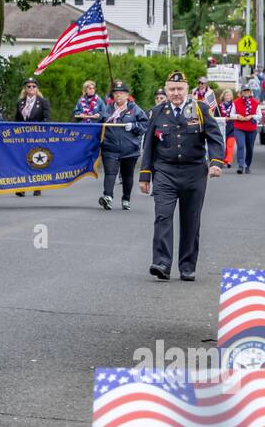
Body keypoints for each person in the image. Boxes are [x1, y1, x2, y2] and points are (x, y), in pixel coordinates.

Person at [138, 70, 224, 282]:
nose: (176, 93)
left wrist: (215, 163)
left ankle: (187, 266)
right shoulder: (157, 112)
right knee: (162, 216)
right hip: (165, 172)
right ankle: (162, 263)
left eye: (179, 89)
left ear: (187, 89)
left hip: (194, 172)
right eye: (171, 89)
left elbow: (215, 138)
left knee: (190, 221)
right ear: (166, 90)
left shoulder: (200, 109)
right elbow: (149, 144)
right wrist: (145, 175)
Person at [98, 80, 147, 211]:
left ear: (127, 95)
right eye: (116, 93)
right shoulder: (107, 109)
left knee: (127, 175)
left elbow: (145, 125)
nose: (118, 95)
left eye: (121, 93)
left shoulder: (134, 109)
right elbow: (98, 127)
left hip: (130, 149)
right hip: (110, 148)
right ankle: (108, 197)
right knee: (110, 173)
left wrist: (134, 126)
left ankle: (126, 198)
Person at [14, 76, 50, 198]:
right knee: (22, 160)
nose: (31, 88)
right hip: (23, 135)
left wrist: (40, 131)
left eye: (33, 86)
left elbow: (46, 119)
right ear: (25, 88)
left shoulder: (43, 102)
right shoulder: (20, 102)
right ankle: (22, 187)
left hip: (37, 135)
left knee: (36, 159)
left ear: (37, 88)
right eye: (28, 86)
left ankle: (37, 186)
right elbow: (17, 120)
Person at [231, 81, 260, 174]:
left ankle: (247, 165)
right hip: (239, 127)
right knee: (240, 145)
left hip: (251, 128)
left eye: (248, 91)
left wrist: (251, 116)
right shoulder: (236, 102)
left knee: (250, 148)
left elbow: (259, 115)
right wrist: (238, 116)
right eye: (245, 91)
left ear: (250, 92)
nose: (246, 92)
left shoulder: (255, 102)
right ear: (242, 92)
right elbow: (231, 114)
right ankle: (241, 165)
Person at [215, 88, 236, 166]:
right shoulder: (219, 107)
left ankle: (229, 160)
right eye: (227, 95)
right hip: (222, 128)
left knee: (230, 144)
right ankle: (223, 159)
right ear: (223, 96)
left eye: (229, 95)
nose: (228, 96)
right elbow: (215, 117)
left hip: (232, 127)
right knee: (223, 145)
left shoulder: (234, 105)